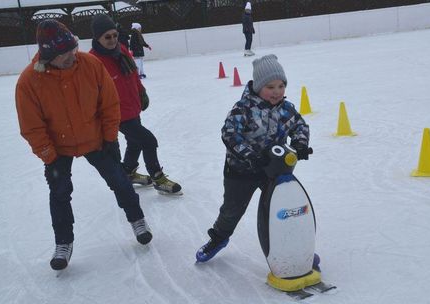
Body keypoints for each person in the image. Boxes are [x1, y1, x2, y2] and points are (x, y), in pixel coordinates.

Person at [15, 19, 153, 271]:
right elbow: (31, 127)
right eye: (65, 54)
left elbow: (110, 105)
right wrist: (49, 156)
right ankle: (63, 243)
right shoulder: (29, 81)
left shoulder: (90, 64)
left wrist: (110, 138)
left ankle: (138, 220)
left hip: (96, 140)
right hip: (58, 148)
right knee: (59, 192)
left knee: (120, 182)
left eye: (73, 49)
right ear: (49, 55)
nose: (72, 56)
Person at [196, 54, 311, 262]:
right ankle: (219, 238)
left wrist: (300, 144)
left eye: (281, 86)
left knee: (281, 209)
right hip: (241, 171)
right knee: (231, 211)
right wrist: (249, 155)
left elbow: (300, 125)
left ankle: (291, 248)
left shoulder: (286, 109)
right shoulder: (244, 108)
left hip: (272, 170)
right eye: (270, 87)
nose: (277, 92)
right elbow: (229, 133)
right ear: (258, 87)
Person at [89, 14, 182, 195]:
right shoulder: (93, 61)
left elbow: (132, 76)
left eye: (114, 35)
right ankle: (158, 177)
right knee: (148, 140)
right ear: (97, 38)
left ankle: (129, 172)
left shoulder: (122, 49)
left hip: (132, 107)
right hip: (116, 114)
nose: (112, 40)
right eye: (107, 37)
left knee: (135, 142)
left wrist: (141, 92)